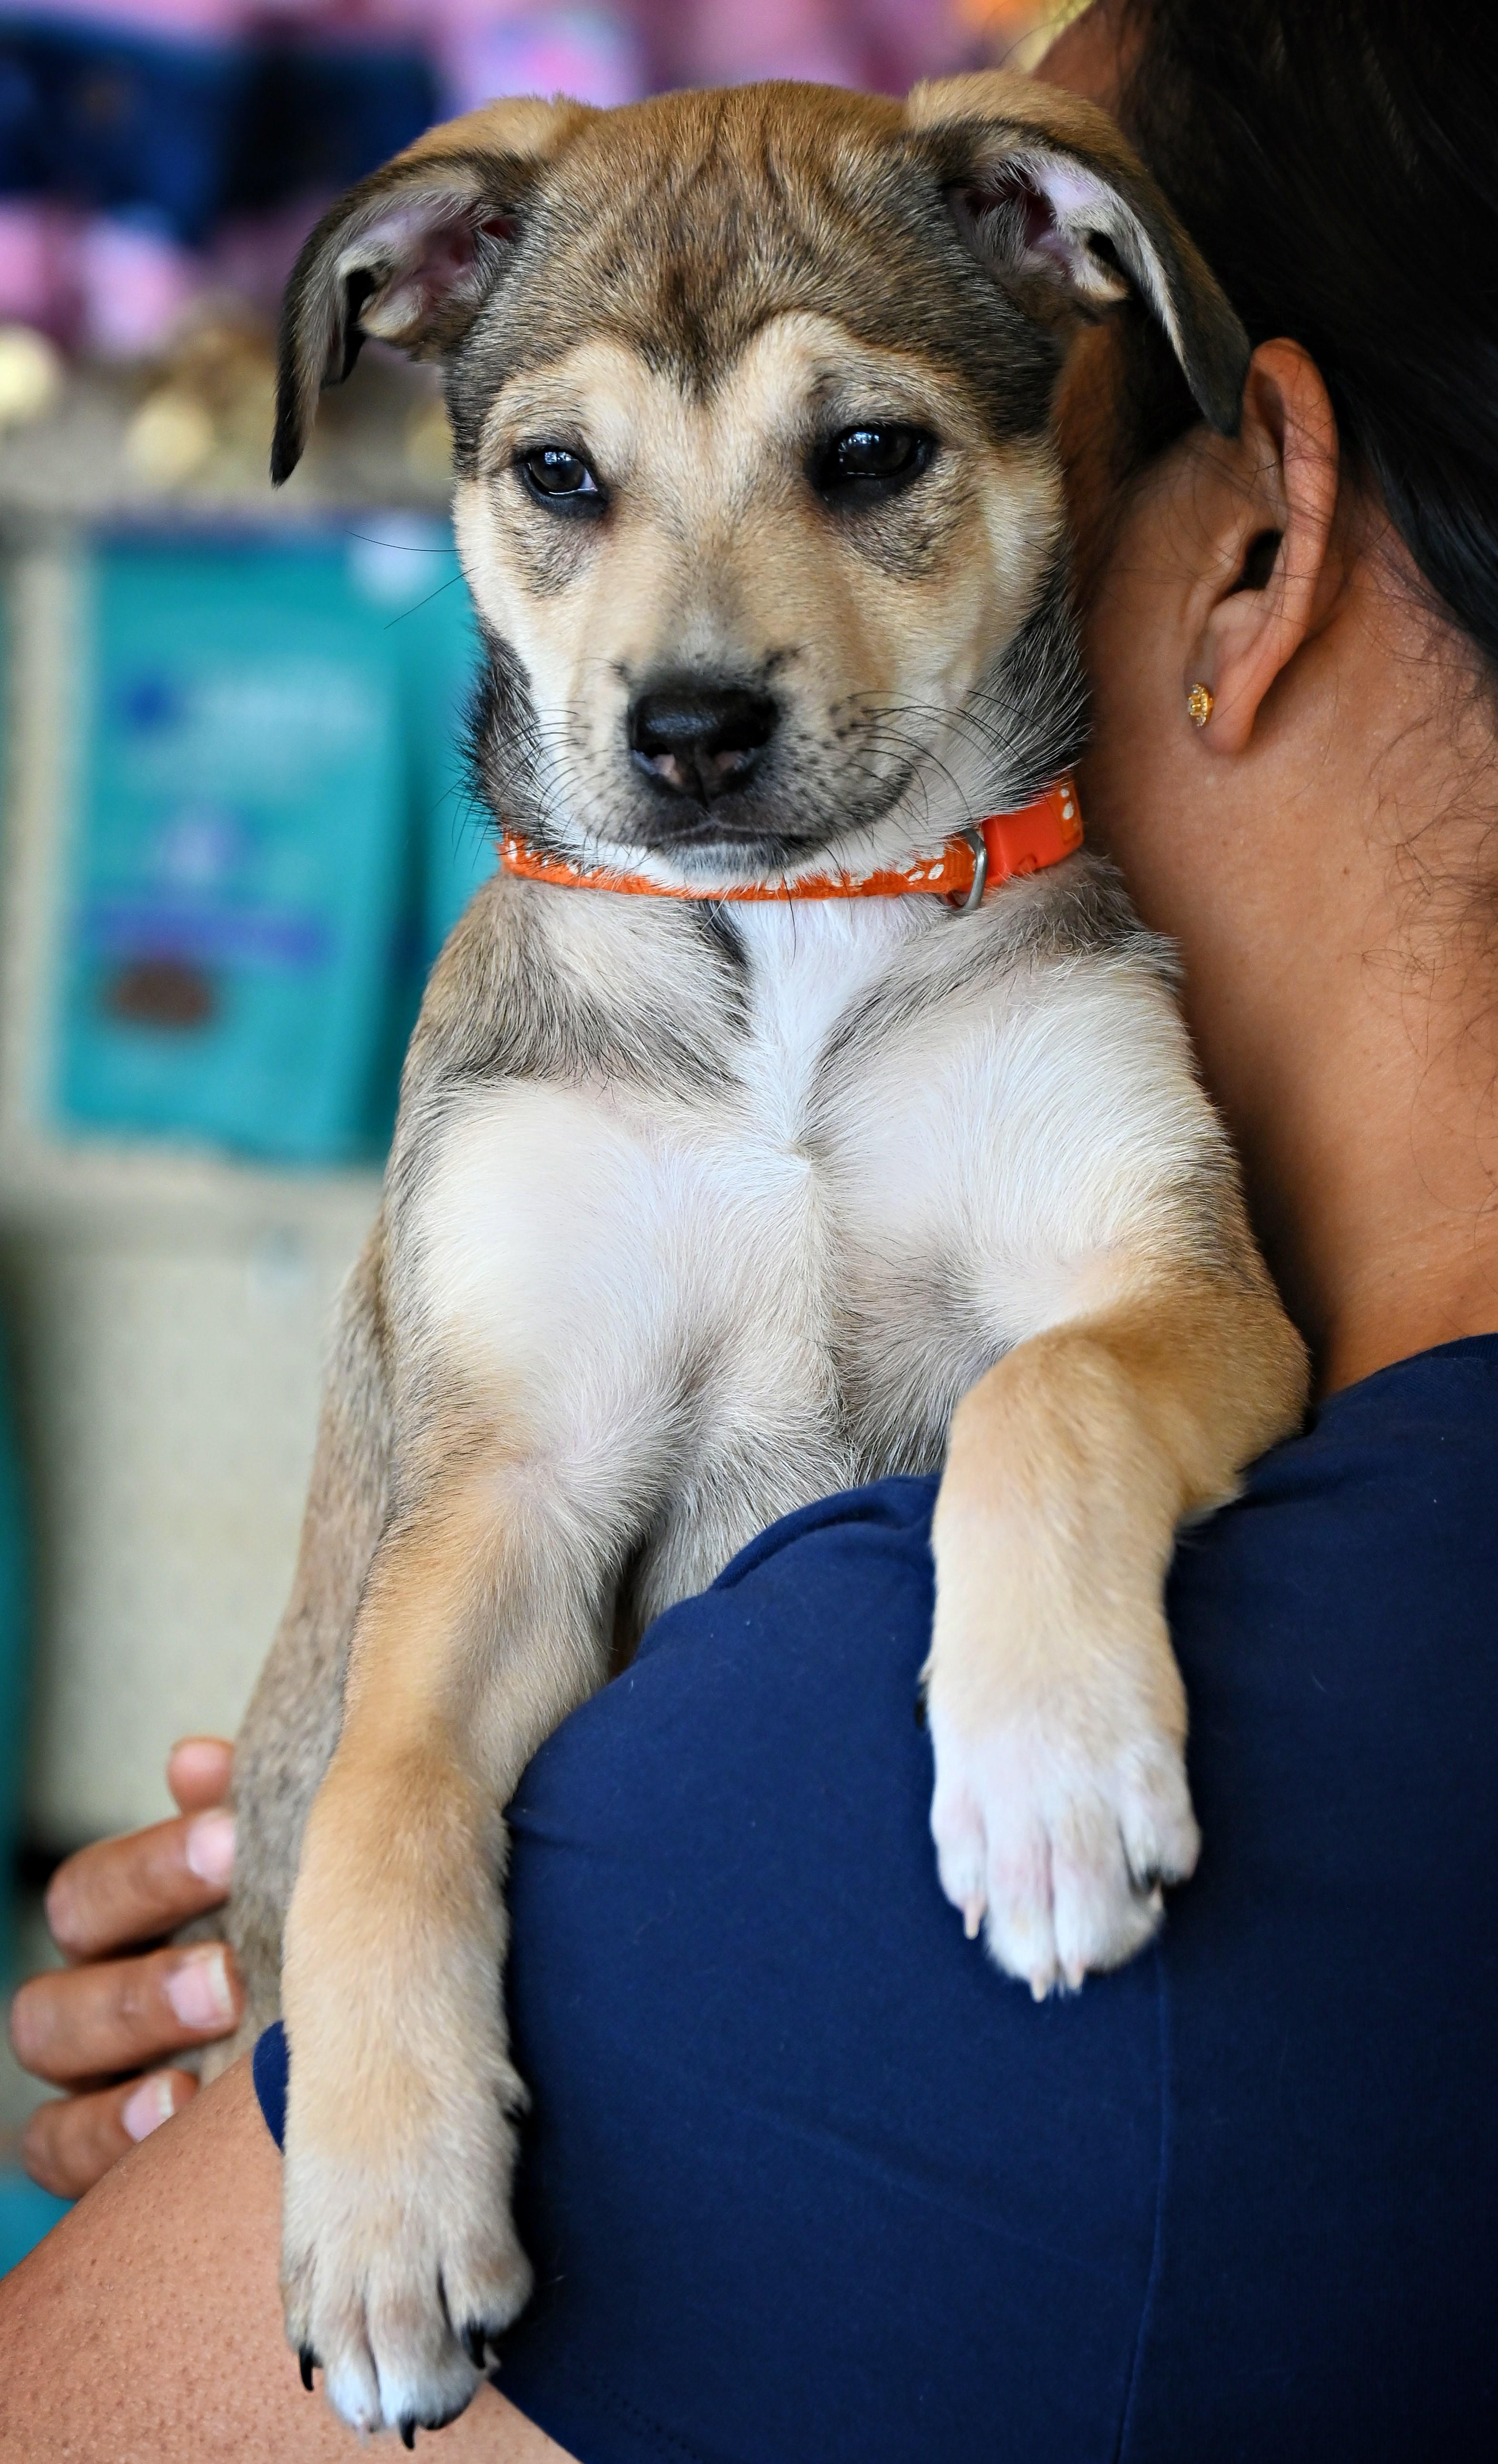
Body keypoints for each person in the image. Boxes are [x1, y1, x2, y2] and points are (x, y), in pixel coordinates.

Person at [5, 0, 1498, 2453]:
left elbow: (1186, 1321)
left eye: (865, 458)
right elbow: (477, 1547)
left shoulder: (1066, 975)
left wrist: (1059, 1450)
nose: (692, 657)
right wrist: (329, 1998)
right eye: (567, 481)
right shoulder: (530, 1042)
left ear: (1249, 529)